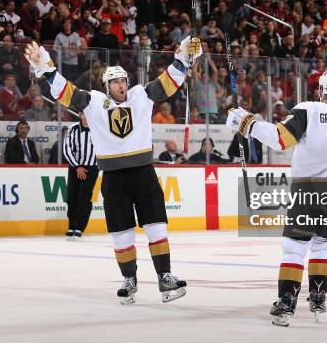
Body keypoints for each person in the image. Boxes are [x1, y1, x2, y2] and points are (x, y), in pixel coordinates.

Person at [24, 36, 202, 304]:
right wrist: (46, 70)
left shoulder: (141, 95)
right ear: (106, 85)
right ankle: (129, 279)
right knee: (121, 232)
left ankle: (165, 276)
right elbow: (67, 92)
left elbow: (168, 82)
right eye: (115, 82)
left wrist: (183, 59)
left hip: (144, 174)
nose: (120, 85)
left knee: (156, 227)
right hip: (114, 178)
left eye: (123, 81)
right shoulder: (93, 101)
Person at [226, 68, 327, 326]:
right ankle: (318, 296)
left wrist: (247, 123)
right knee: (323, 244)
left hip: (310, 189)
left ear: (322, 89)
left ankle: (287, 301)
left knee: (295, 246)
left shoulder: (309, 110)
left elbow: (280, 139)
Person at [63, 112, 98, 240]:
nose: (86, 117)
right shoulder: (73, 129)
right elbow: (67, 149)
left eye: (88, 114)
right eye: (83, 114)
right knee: (72, 197)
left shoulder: (98, 128)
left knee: (84, 197)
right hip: (75, 167)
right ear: (79, 115)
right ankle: (71, 225)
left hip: (92, 168)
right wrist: (77, 166)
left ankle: (79, 227)